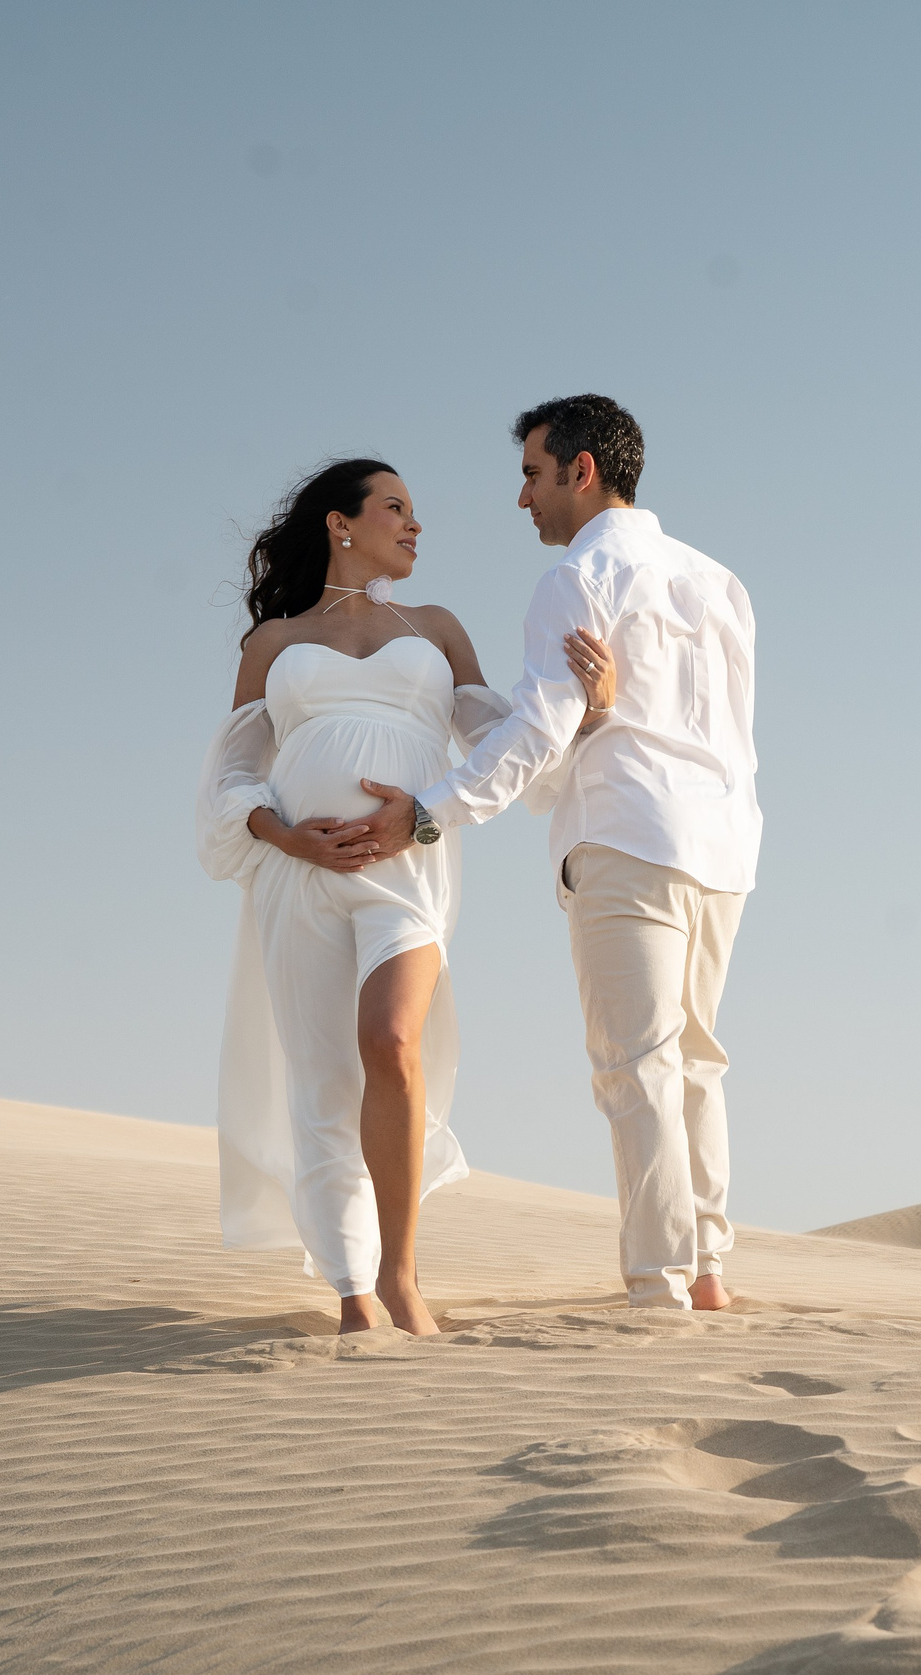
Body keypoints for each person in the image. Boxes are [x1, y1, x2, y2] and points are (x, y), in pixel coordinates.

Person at [350, 397, 761, 1311]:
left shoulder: (577, 580)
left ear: (582, 470)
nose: (522, 498)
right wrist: (604, 719)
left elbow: (539, 734)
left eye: (533, 474)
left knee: (637, 1064)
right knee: (696, 1061)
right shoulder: (721, 583)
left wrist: (429, 813)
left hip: (625, 835)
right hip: (723, 847)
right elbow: (729, 735)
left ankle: (657, 1286)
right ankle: (707, 1274)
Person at [196, 457, 615, 1335]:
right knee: (320, 1079)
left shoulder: (435, 627)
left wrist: (590, 709)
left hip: (409, 866)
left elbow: (502, 734)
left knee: (390, 1041)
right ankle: (350, 1291)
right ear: (340, 524)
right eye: (397, 508)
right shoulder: (272, 643)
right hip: (297, 875)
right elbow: (233, 773)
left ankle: (400, 1274)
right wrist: (285, 834)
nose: (416, 524)